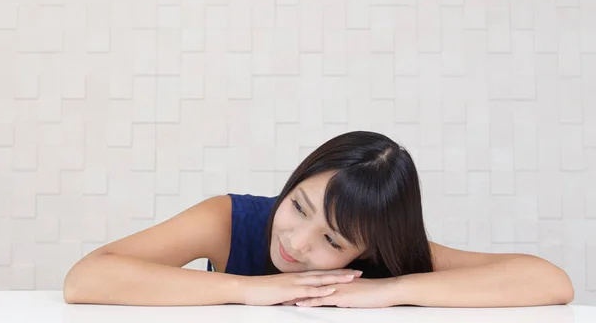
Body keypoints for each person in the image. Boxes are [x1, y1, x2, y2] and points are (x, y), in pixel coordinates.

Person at [63, 131, 574, 308]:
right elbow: (87, 279)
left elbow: (550, 283)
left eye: (332, 238)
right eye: (298, 206)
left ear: (368, 248)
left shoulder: (384, 259)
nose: (296, 243)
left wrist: (390, 291)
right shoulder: (230, 220)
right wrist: (248, 289)